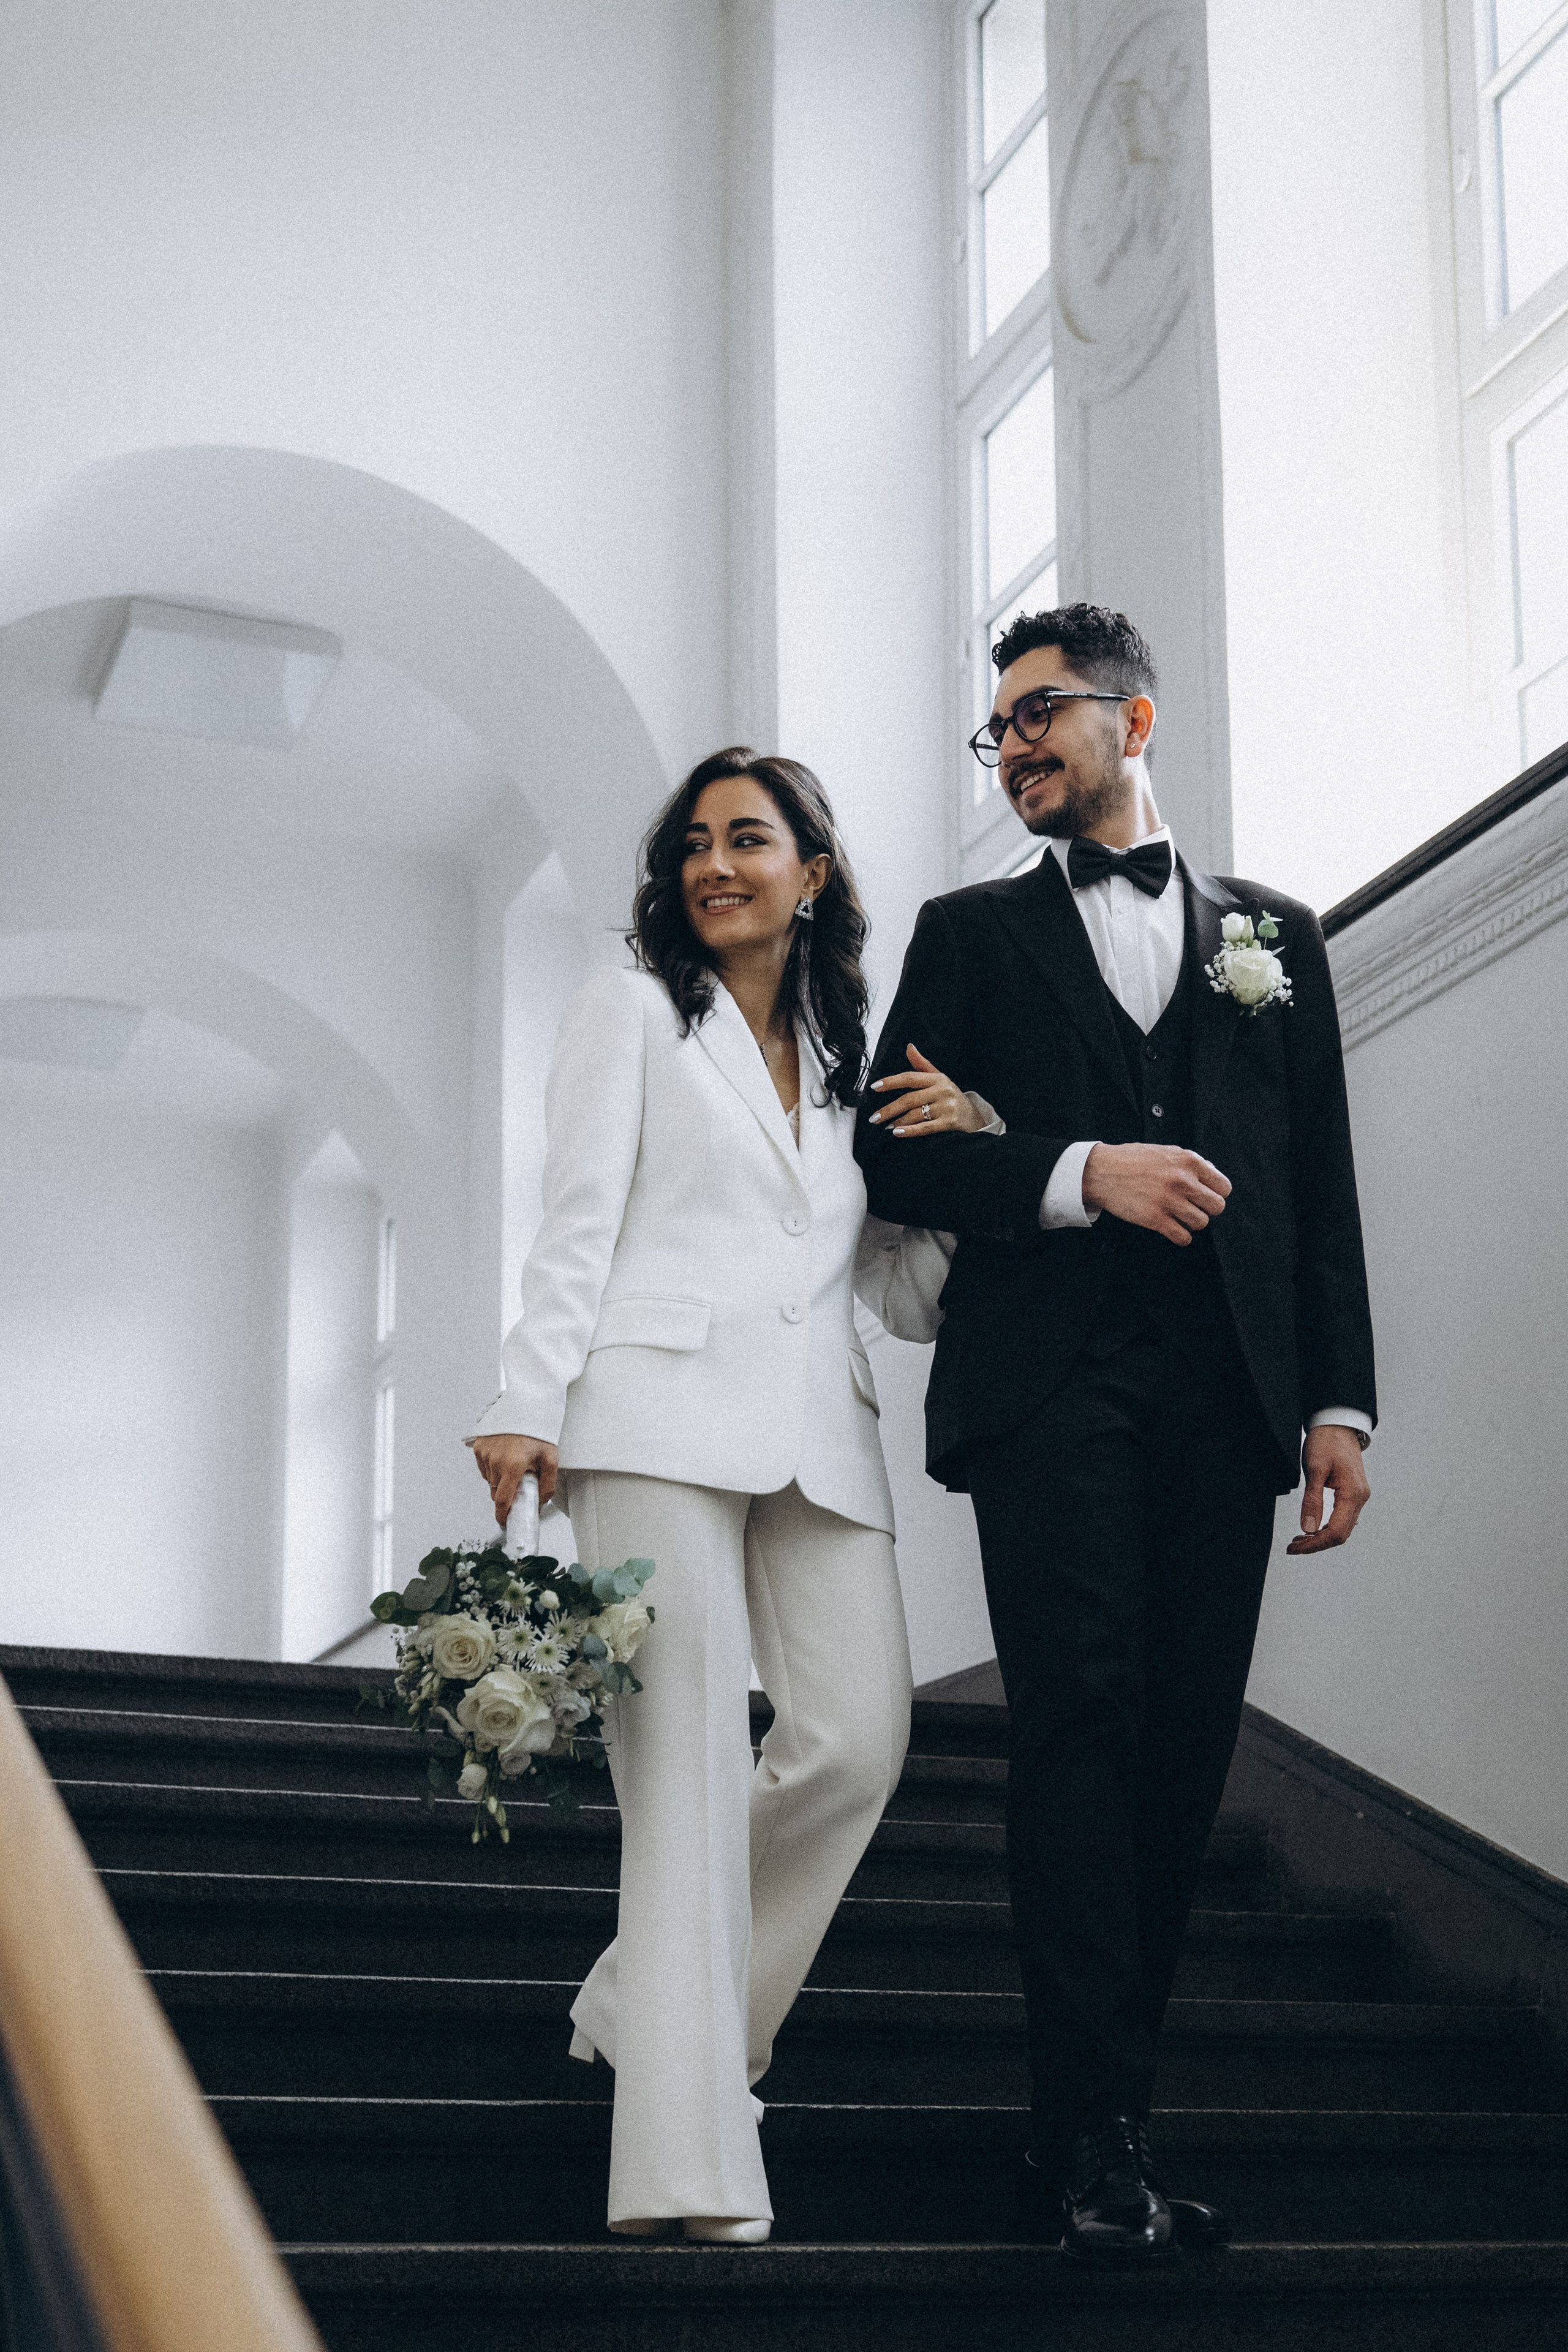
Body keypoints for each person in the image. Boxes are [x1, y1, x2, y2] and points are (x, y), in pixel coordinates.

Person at [854, 605, 1377, 2265]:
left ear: (1131, 723)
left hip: (1227, 1399)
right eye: (994, 728)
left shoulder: (1274, 939)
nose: (1011, 746)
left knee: (1179, 1751)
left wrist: (1339, 1405)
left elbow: (1318, 1194)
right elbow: (896, 1162)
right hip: (1048, 1384)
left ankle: (1109, 2122)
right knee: (1080, 1718)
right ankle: (1089, 2132)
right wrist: (1083, 1174)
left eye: (1037, 716)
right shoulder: (963, 935)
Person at [467, 748, 973, 2243]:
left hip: (821, 1428)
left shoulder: (847, 1055)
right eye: (694, 843)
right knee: (678, 1783)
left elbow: (897, 1289)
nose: (714, 865)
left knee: (855, 1741)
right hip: (647, 1418)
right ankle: (686, 2167)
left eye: (747, 839)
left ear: (810, 874)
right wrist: (523, 1396)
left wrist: (972, 1159)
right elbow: (579, 1219)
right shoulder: (628, 1011)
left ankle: (646, 2000)